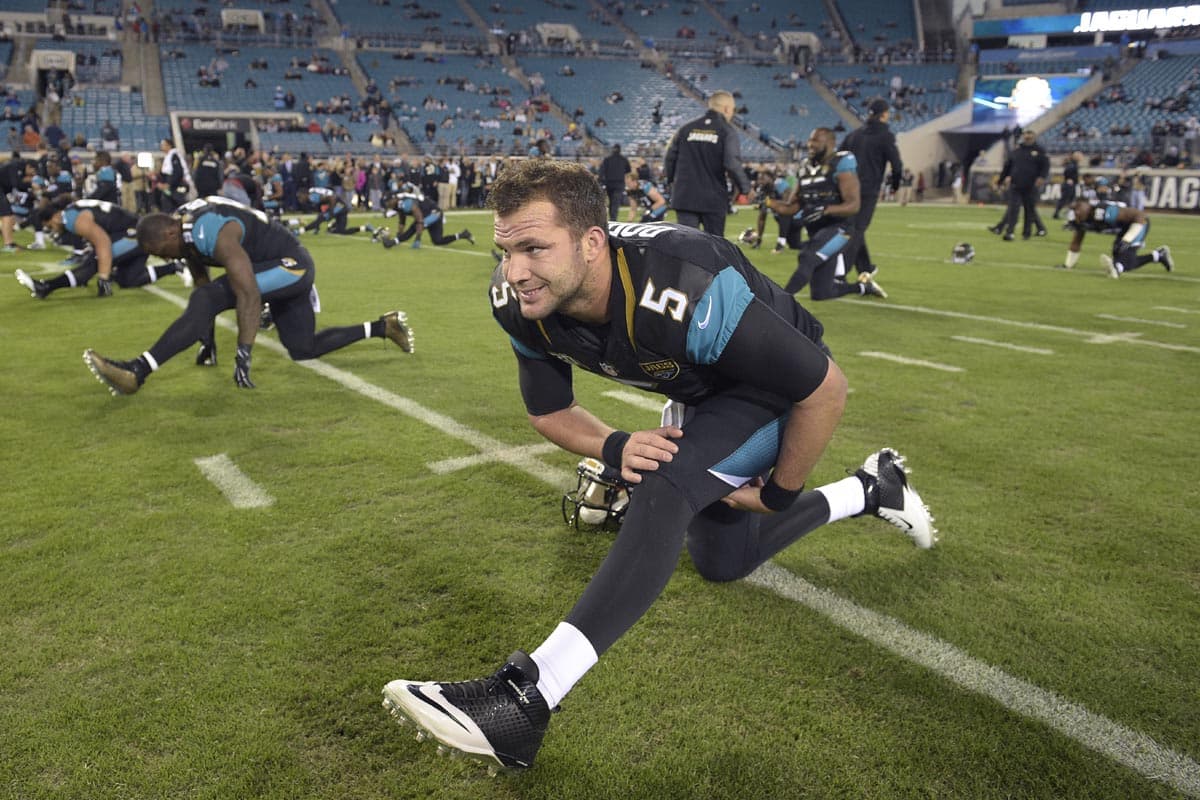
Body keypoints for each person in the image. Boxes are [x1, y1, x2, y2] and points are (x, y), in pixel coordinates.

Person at [380, 158, 936, 772]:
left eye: (534, 248)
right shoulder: (519, 299)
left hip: (771, 386)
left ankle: (527, 697)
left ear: (592, 243)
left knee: (665, 486)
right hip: (705, 391)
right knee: (724, 561)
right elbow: (549, 409)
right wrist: (616, 445)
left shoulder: (681, 283)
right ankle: (871, 488)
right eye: (504, 250)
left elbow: (823, 389)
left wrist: (779, 492)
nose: (514, 271)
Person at [82, 196, 415, 396]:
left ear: (169, 232)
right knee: (302, 348)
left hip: (290, 267)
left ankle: (137, 371)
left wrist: (244, 351)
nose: (163, 258)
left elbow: (249, 294)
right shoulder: (183, 231)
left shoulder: (208, 230)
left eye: (160, 251)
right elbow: (203, 283)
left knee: (211, 299)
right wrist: (206, 341)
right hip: (269, 268)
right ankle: (383, 327)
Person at [766, 128, 887, 300]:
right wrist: (769, 203)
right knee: (822, 293)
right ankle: (862, 287)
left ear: (830, 143)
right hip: (817, 232)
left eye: (816, 141)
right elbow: (792, 207)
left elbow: (853, 205)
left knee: (807, 257)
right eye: (810, 140)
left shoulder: (842, 163)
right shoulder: (805, 167)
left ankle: (778, 303)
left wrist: (825, 209)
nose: (810, 145)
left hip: (840, 229)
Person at [16, 196, 189, 299]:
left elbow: (103, 242)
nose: (52, 229)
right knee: (128, 279)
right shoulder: (73, 210)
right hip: (132, 230)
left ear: (54, 218)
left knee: (96, 262)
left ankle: (46, 287)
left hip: (134, 233)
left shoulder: (71, 219)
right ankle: (176, 267)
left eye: (50, 225)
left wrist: (103, 277)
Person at [663, 90, 751, 237]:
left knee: (686, 245)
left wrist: (671, 180)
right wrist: (745, 188)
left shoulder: (686, 129)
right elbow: (731, 162)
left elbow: (669, 157)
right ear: (727, 109)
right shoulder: (727, 131)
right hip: (713, 198)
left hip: (685, 196)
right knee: (714, 246)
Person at [839, 97, 902, 280]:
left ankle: (865, 267)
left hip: (848, 189)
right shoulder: (885, 136)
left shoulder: (855, 135)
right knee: (857, 229)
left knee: (854, 227)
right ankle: (840, 273)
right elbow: (896, 165)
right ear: (884, 115)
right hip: (868, 189)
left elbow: (838, 157)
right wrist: (895, 185)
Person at [1058, 195, 1174, 278]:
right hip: (1125, 228)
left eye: (1076, 209)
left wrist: (1128, 239)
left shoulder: (1104, 211)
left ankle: (1116, 269)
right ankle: (1158, 255)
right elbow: (1076, 242)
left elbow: (1139, 216)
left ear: (1085, 205)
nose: (1076, 214)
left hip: (1138, 224)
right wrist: (1067, 265)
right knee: (1120, 253)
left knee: (1124, 253)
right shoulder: (1083, 220)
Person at [366, 190, 472, 249]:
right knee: (437, 241)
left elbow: (419, 219)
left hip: (434, 213)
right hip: (426, 213)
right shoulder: (398, 204)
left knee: (414, 228)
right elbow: (402, 219)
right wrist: (399, 233)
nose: (387, 205)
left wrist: (418, 239)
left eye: (388, 202)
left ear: (393, 199)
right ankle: (463, 234)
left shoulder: (405, 203)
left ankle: (391, 243)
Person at [998, 130, 1049, 241]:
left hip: (1031, 185)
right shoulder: (1017, 151)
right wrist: (1001, 180)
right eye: (1026, 136)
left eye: (1030, 136)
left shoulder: (1040, 151)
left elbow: (1045, 166)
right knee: (1013, 209)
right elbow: (1008, 166)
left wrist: (1041, 177)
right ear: (1023, 137)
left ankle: (1027, 233)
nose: (1027, 138)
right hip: (1016, 184)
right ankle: (1010, 232)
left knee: (1029, 210)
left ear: (1034, 138)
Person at [0, 156, 36, 252]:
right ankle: (8, 244)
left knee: (9, 215)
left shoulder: (18, 167)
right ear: (28, 167)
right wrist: (30, 184)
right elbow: (16, 184)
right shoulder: (15, 166)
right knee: (7, 215)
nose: (31, 176)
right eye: (32, 173)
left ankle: (10, 243)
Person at [156, 138, 192, 211]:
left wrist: (168, 184)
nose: (161, 146)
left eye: (163, 145)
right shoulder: (167, 157)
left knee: (177, 206)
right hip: (169, 188)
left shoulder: (174, 156)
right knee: (166, 203)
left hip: (175, 187)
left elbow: (178, 172)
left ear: (169, 146)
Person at [598, 144, 631, 221]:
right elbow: (628, 170)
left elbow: (602, 171)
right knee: (616, 202)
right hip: (619, 184)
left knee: (612, 201)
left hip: (609, 184)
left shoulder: (607, 159)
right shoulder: (623, 159)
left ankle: (612, 218)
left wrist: (601, 182)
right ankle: (613, 218)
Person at [1051, 152, 1080, 220]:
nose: (1081, 157)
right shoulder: (1072, 164)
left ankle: (1069, 214)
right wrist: (1068, 179)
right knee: (1064, 200)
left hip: (1071, 185)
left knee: (1071, 200)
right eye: (1079, 156)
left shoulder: (1074, 164)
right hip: (1068, 185)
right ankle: (1056, 213)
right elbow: (1067, 171)